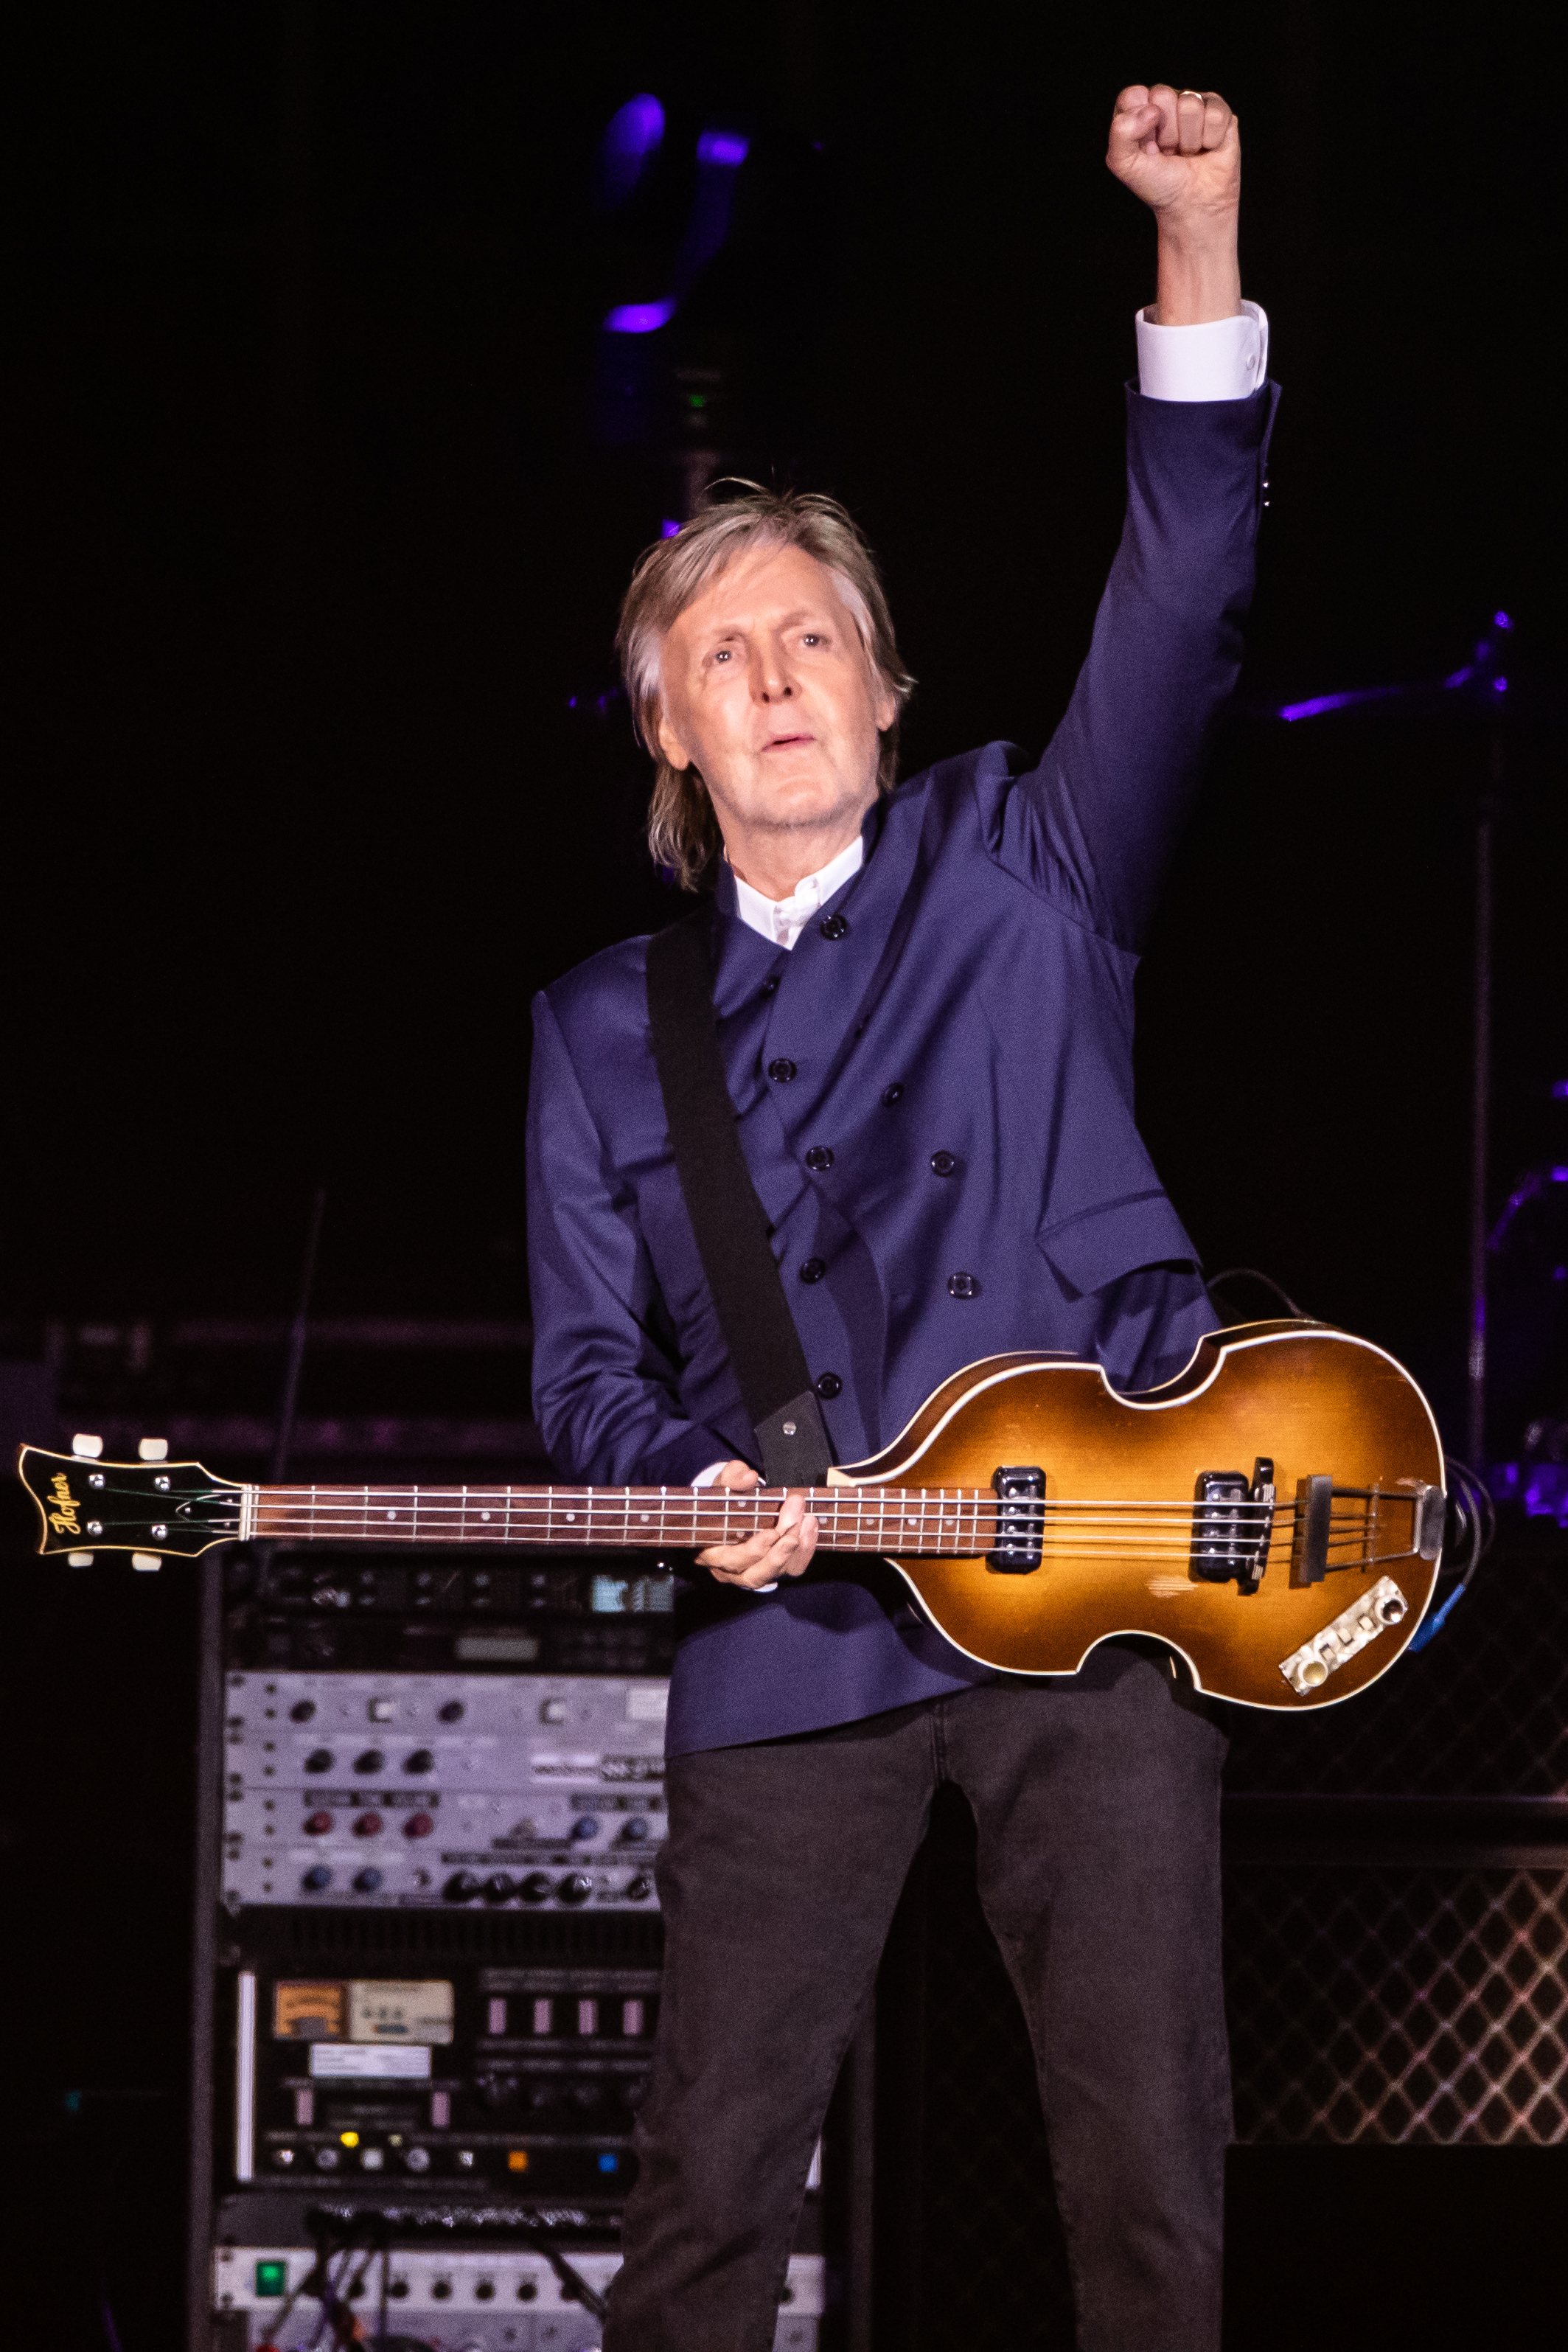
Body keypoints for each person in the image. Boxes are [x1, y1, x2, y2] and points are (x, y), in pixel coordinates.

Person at [526, 82, 1276, 2352]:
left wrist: (1198, 238)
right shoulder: (592, 1029)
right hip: (797, 1642)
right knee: (704, 2212)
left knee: (1149, 2190)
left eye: (813, 640)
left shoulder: (1032, 874)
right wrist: (692, 1487)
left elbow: (1185, 584)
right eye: (725, 655)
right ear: (665, 728)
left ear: (886, 690)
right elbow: (581, 1376)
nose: (775, 675)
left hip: (1113, 1582)